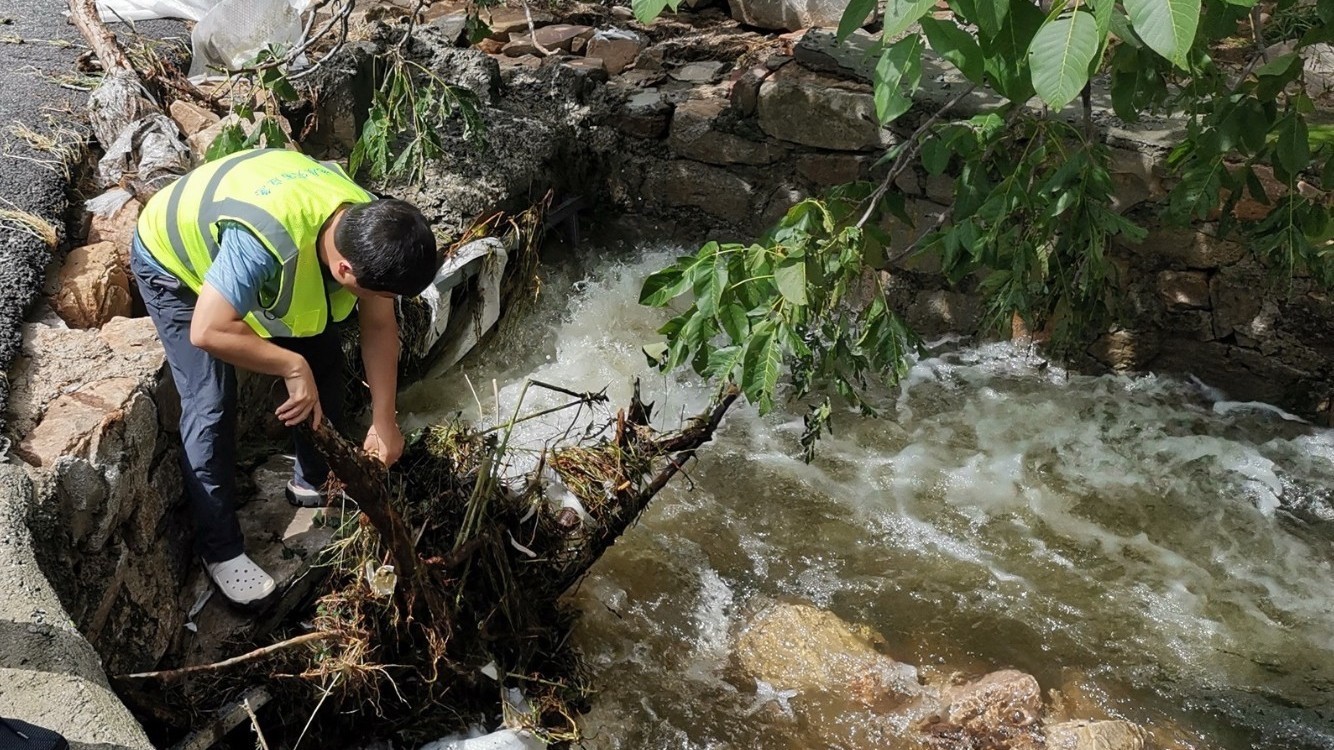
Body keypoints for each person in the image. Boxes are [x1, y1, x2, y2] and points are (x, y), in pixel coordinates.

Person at [129, 147, 441, 608]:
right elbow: (208, 329)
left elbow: (379, 326)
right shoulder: (265, 243)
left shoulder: (367, 226)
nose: (382, 301)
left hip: (252, 230)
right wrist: (290, 366)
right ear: (345, 270)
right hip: (172, 257)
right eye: (378, 292)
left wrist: (384, 421)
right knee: (211, 401)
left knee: (323, 356)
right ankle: (221, 552)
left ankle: (313, 482)